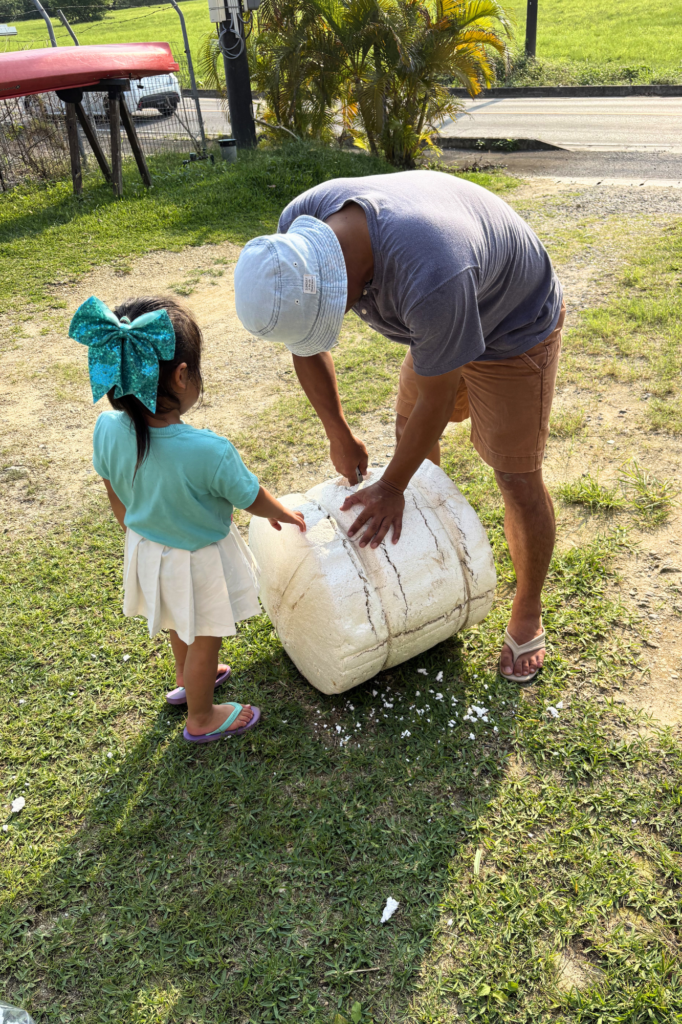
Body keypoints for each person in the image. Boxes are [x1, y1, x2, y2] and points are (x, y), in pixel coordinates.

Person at [232, 170, 565, 685]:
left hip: (511, 327)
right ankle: (428, 565)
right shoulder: (295, 238)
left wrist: (390, 486)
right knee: (410, 431)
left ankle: (528, 607)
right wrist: (337, 430)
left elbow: (438, 394)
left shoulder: (431, 274)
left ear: (342, 280)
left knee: (517, 479)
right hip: (443, 314)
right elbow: (306, 346)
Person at [69, 294, 306, 743]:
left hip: (148, 549)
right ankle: (201, 716)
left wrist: (133, 527)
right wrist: (285, 515)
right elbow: (251, 495)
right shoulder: (208, 450)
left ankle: (188, 678)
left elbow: (110, 485)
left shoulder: (105, 428)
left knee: (182, 621)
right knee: (206, 635)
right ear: (182, 375)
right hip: (198, 560)